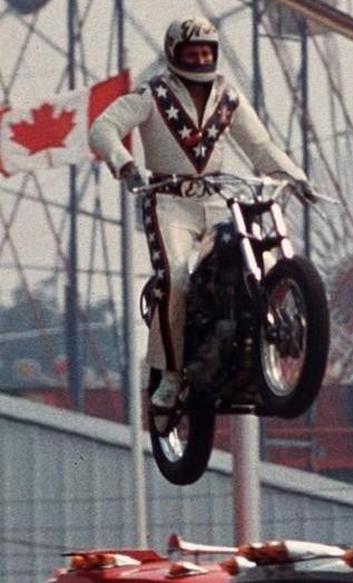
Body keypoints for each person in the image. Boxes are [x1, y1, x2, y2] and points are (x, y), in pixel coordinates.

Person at [89, 15, 316, 409]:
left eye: (205, 52)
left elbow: (260, 147)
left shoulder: (228, 98)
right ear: (174, 54)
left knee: (253, 254)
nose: (198, 60)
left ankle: (257, 335)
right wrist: (125, 164)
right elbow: (103, 127)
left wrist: (296, 177)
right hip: (169, 199)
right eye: (190, 53)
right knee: (176, 278)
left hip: (216, 197)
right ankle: (170, 374)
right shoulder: (151, 95)